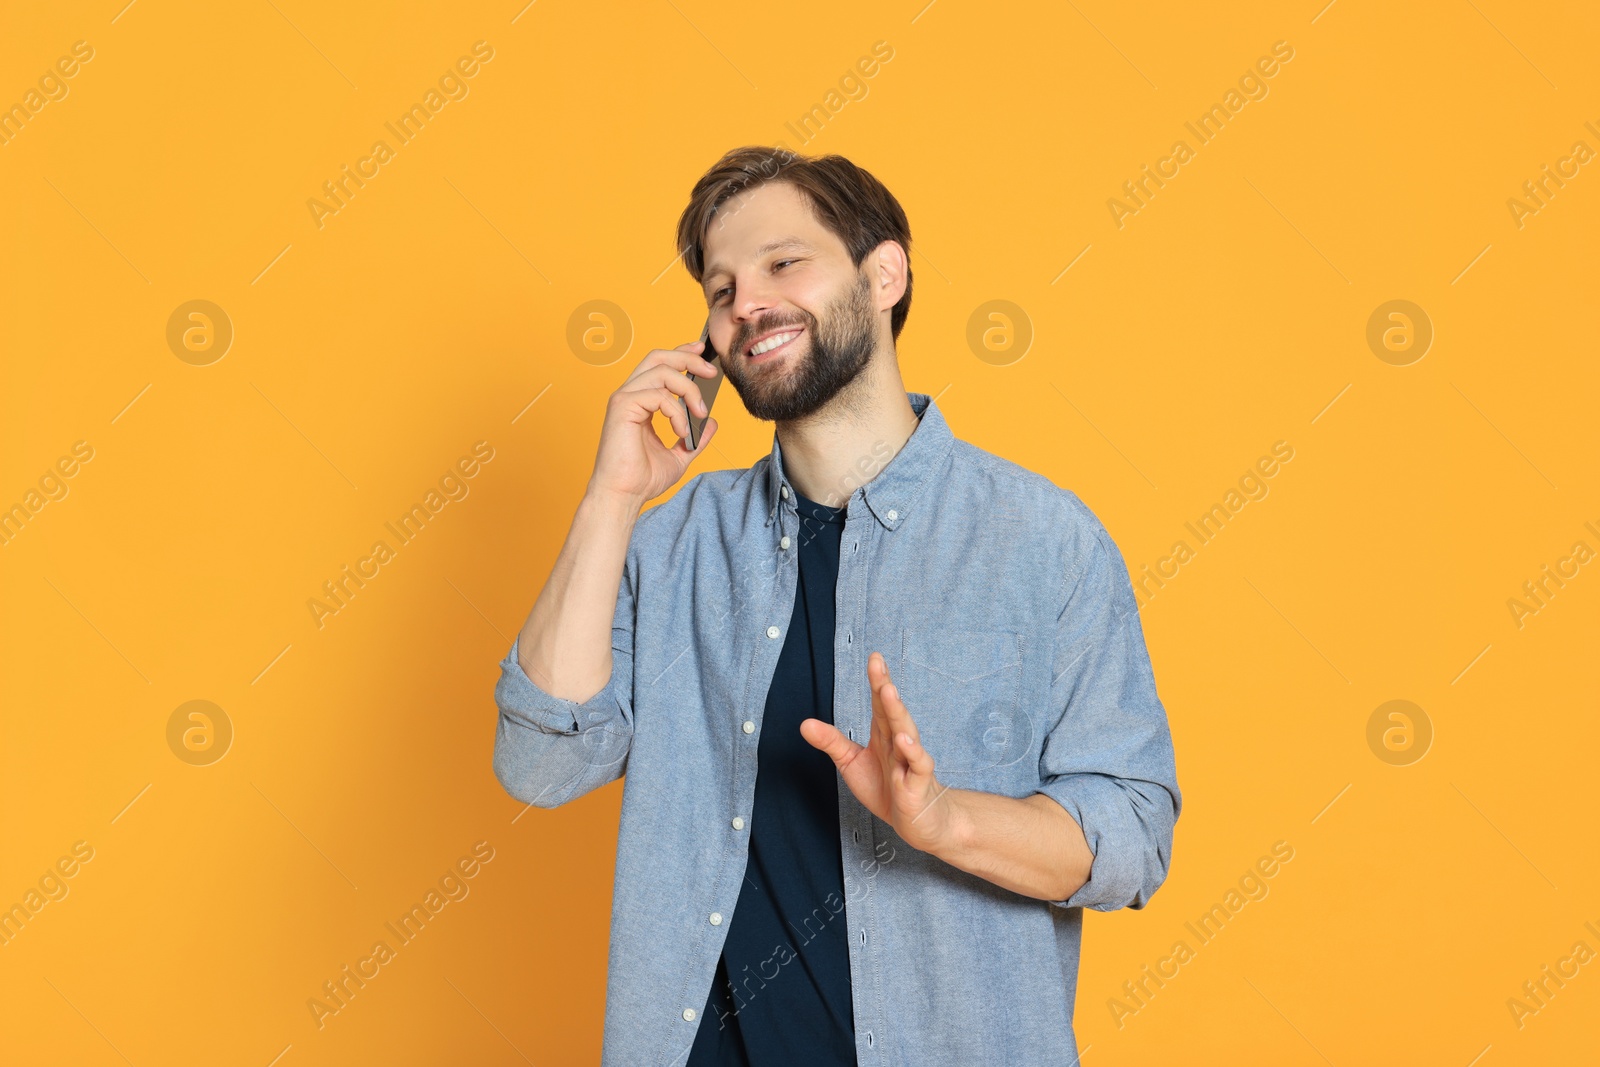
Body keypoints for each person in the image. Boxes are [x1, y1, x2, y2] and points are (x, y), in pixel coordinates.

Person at [492, 145, 1181, 1066]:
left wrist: (946, 820)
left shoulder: (1042, 540)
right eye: (721, 288)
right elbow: (541, 765)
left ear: (884, 272)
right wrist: (612, 497)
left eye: (784, 264)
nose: (747, 306)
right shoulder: (672, 542)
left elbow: (1132, 834)